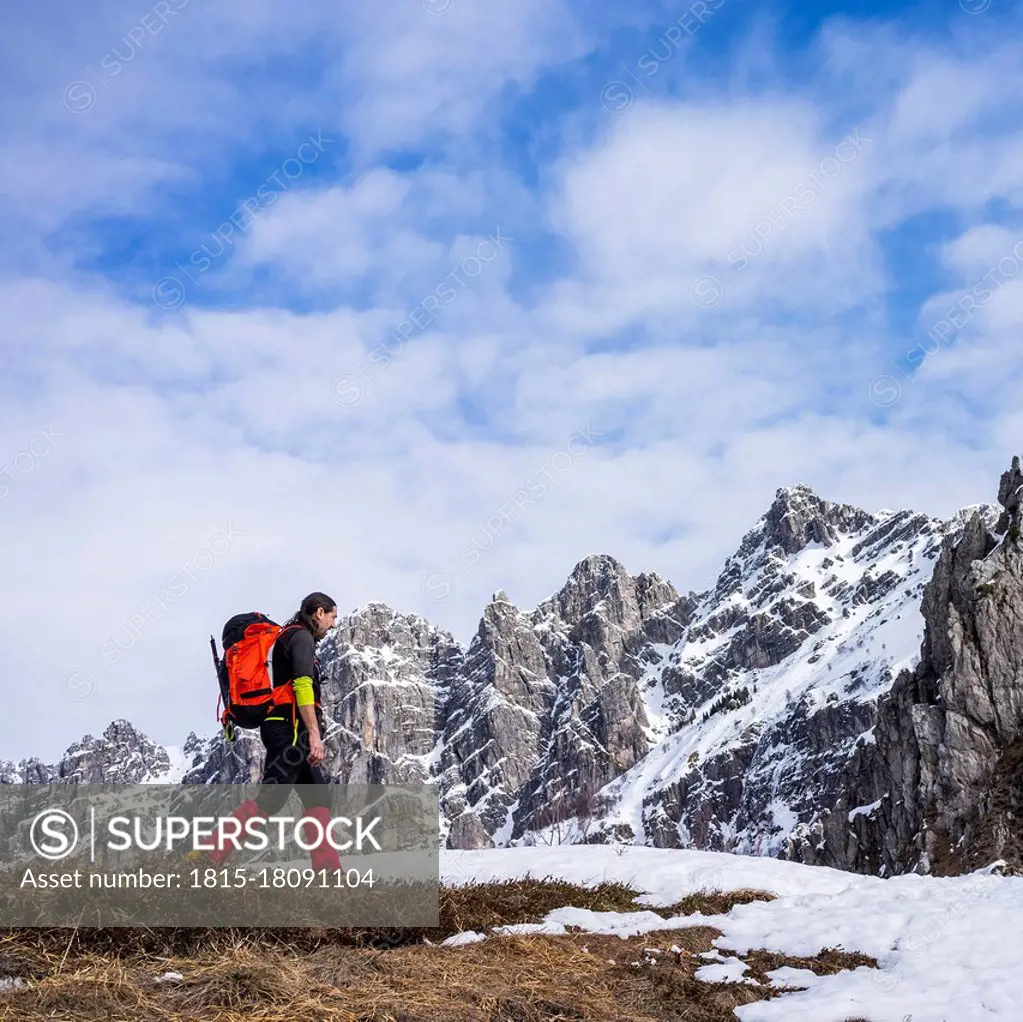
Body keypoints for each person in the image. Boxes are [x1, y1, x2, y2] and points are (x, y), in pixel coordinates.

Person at [210, 592, 340, 871]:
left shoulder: (292, 637)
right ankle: (207, 855)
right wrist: (314, 734)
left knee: (318, 796)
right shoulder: (300, 638)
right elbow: (302, 685)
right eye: (332, 617)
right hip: (289, 729)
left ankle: (329, 874)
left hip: (289, 730)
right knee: (272, 797)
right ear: (319, 612)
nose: (333, 624)